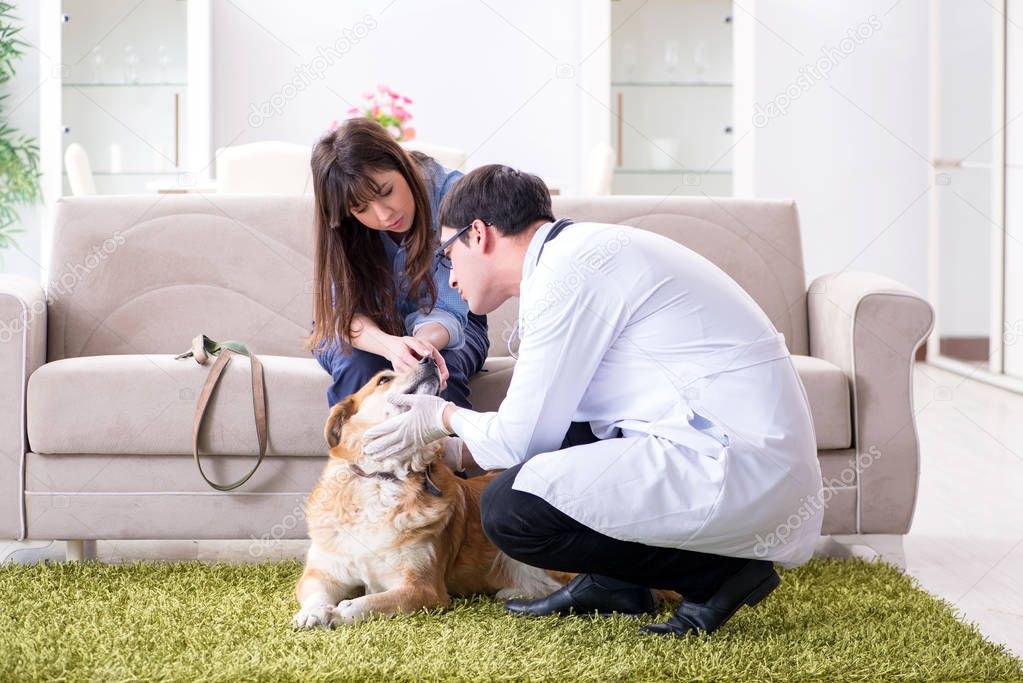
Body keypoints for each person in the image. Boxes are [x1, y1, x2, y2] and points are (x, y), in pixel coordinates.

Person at [362, 164, 824, 638]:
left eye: (447, 254)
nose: (450, 278)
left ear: (478, 234)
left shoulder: (569, 275)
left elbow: (519, 441)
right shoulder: (575, 255)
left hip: (734, 459)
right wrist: (452, 445)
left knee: (509, 511)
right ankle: (614, 584)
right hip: (731, 440)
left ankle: (718, 575)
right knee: (566, 434)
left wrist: (441, 416)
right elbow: (552, 420)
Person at [305, 118, 488, 409]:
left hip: (455, 324)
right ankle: (363, 456)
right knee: (361, 372)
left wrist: (420, 350)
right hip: (359, 328)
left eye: (386, 191)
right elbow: (342, 314)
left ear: (401, 164)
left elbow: (451, 310)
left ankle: (449, 454)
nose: (383, 215)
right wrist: (390, 346)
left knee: (436, 375)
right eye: (361, 208)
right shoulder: (343, 228)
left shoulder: (454, 196)